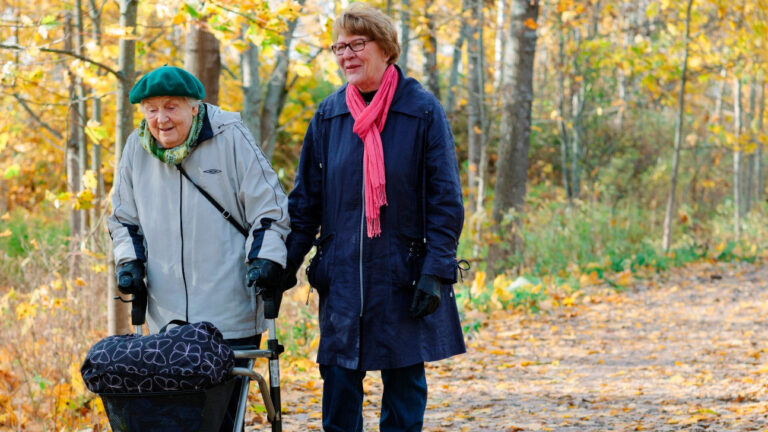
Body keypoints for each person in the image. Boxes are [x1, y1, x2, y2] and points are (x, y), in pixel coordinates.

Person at [281, 4, 465, 431]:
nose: (346, 54)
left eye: (357, 44)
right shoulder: (329, 115)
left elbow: (445, 199)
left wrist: (436, 271)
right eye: (339, 47)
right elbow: (305, 200)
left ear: (386, 49)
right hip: (342, 275)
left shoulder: (420, 110)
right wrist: (285, 263)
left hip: (403, 273)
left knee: (403, 383)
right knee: (339, 380)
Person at [107, 65, 289, 431]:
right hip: (166, 319)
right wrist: (128, 263)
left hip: (229, 313)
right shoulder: (135, 148)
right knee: (172, 420)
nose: (161, 119)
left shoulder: (231, 138)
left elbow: (269, 211)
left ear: (195, 107)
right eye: (151, 108)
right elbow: (123, 220)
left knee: (219, 420)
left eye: (171, 106)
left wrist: (266, 259)